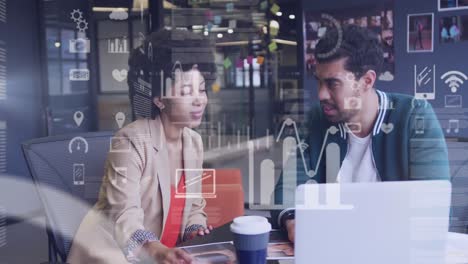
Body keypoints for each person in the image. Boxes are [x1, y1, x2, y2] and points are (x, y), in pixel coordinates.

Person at [272, 25, 450, 242]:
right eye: (318, 81)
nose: (320, 94)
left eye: (332, 84)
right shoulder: (319, 119)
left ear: (366, 81)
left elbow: (432, 208)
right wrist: (293, 220)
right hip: (331, 246)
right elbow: (289, 186)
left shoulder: (414, 116)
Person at [67, 29, 217, 264]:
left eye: (202, 89)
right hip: (117, 253)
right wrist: (155, 249)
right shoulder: (129, 141)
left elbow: (196, 205)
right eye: (186, 91)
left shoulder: (194, 142)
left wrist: (194, 231)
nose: (200, 99)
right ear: (158, 98)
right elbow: (124, 214)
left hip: (167, 252)